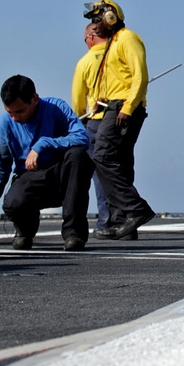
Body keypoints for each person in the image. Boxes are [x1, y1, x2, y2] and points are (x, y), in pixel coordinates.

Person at [0, 75, 93, 251]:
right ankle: (24, 231)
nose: (14, 118)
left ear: (34, 99)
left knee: (78, 156)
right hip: (30, 178)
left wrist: (44, 143)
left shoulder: (56, 108)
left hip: (61, 176)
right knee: (13, 203)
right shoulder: (5, 123)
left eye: (19, 112)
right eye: (9, 112)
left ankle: (74, 233)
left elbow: (82, 138)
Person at [82, 0, 156, 239]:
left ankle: (136, 209)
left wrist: (127, 107)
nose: (94, 25)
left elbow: (139, 76)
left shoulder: (127, 39)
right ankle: (124, 219)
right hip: (113, 105)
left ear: (110, 17)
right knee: (118, 162)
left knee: (101, 155)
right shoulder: (112, 44)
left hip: (124, 107)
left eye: (97, 19)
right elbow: (118, 78)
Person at [71, 22, 113, 235]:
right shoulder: (118, 56)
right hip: (121, 118)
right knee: (120, 170)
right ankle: (124, 219)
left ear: (90, 37)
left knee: (98, 173)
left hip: (96, 121)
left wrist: (79, 119)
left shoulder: (86, 61)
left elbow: (78, 100)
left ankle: (105, 221)